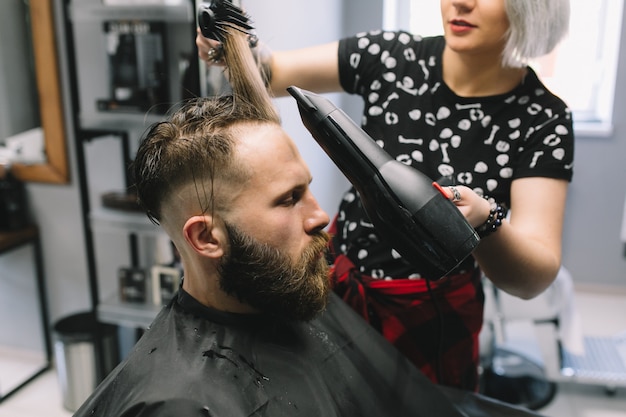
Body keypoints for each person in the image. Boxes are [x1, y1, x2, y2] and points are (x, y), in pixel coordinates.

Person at [197, 0, 574, 391]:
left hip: (434, 322)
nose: (461, 2)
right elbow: (269, 73)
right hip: (338, 290)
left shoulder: (543, 119)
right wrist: (234, 46)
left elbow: (533, 277)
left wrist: (485, 220)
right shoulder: (392, 56)